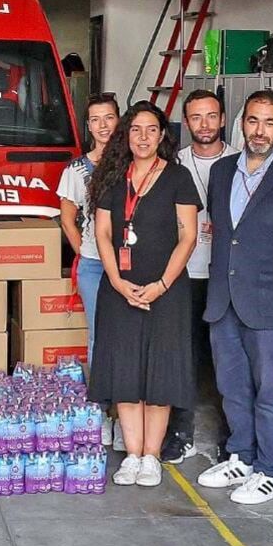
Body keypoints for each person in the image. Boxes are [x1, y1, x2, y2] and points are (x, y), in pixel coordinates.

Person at [197, 90, 273, 505]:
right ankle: (241, 457)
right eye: (252, 120)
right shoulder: (222, 171)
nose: (259, 131)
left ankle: (270, 470)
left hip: (272, 304)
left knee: (272, 392)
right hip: (224, 300)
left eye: (269, 122)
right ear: (241, 123)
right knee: (231, 386)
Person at [86, 101, 200, 488]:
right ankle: (132, 455)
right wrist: (118, 282)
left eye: (151, 129)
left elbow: (188, 236)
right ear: (126, 135)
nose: (143, 137)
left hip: (166, 291)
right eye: (136, 129)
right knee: (125, 372)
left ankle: (152, 456)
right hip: (119, 290)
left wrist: (162, 284)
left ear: (162, 135)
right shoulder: (112, 177)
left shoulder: (178, 177)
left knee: (159, 374)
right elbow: (103, 233)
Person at [160, 90, 239, 465]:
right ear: (186, 122)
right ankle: (180, 434)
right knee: (183, 357)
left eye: (211, 116)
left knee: (228, 359)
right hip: (184, 273)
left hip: (227, 275)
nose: (204, 124)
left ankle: (231, 440)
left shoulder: (241, 163)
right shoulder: (174, 164)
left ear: (222, 119)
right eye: (196, 117)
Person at [58, 93, 120, 363]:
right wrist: (85, 253)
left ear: (120, 121)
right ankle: (100, 389)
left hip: (132, 261)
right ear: (88, 126)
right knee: (99, 333)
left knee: (131, 332)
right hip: (94, 264)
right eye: (95, 120)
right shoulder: (76, 170)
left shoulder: (134, 163)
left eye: (109, 118)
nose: (103, 126)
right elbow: (67, 220)